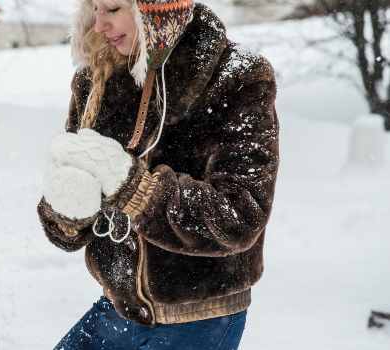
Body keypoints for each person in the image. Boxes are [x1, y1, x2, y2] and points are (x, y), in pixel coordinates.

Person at [37, 0, 279, 349]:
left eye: (114, 9)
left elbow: (240, 216)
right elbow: (72, 228)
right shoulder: (98, 74)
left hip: (200, 318)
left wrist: (135, 188)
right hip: (116, 309)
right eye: (95, 10)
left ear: (157, 9)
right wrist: (68, 208)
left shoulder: (237, 77)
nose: (100, 26)